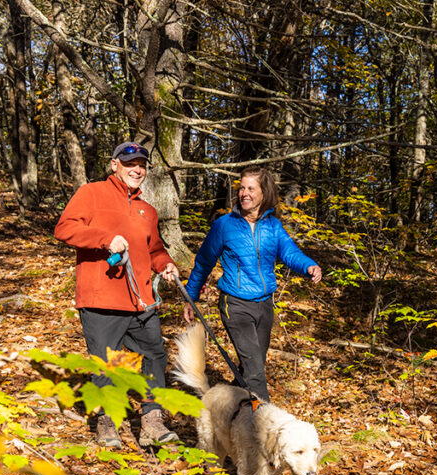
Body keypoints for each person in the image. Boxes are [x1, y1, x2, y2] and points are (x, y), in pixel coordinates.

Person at [55, 141, 180, 448]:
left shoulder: (147, 210)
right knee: (106, 364)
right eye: (130, 164)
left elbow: (154, 249)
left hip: (141, 300)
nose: (137, 169)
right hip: (101, 298)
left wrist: (165, 265)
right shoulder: (91, 193)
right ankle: (106, 424)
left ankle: (152, 420)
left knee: (154, 356)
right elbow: (64, 228)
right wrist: (105, 238)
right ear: (115, 165)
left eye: (142, 165)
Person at [184, 166, 322, 402]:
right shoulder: (224, 225)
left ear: (263, 192)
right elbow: (204, 262)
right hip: (235, 304)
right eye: (242, 188)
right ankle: (262, 426)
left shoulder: (273, 226)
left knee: (252, 364)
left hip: (264, 305)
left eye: (251, 188)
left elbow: (289, 252)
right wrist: (190, 297)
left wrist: (309, 265)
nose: (244, 193)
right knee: (255, 370)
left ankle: (233, 412)